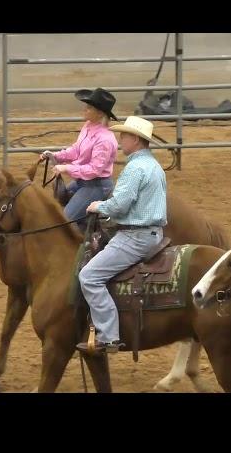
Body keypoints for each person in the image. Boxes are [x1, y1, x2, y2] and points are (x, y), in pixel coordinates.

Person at [75, 116, 167, 355]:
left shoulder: (135, 168)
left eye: (124, 136)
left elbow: (119, 206)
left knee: (89, 276)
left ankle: (108, 336)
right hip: (154, 234)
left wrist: (98, 207)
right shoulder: (154, 165)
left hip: (135, 238)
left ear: (135, 139)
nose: (120, 140)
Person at [40, 87, 119, 231]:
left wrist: (66, 168)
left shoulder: (105, 139)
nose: (85, 109)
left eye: (89, 107)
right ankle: (85, 230)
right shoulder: (88, 126)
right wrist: (55, 155)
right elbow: (76, 150)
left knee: (64, 221)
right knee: (59, 204)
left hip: (97, 185)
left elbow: (94, 170)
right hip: (85, 182)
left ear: (100, 113)